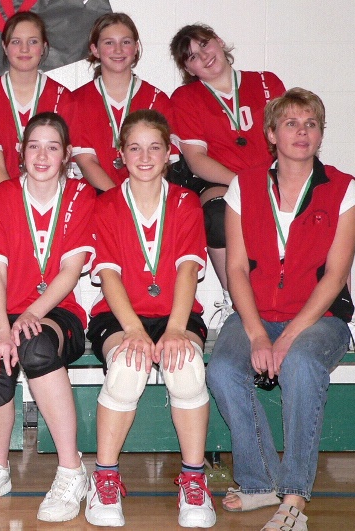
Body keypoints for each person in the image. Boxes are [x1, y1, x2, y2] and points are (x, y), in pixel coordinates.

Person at [206, 88, 355, 531]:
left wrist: (288, 337)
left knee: (301, 364)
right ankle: (260, 483)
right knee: (223, 370)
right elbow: (236, 269)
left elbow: (335, 277)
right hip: (255, 314)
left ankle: (293, 496)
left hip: (319, 319)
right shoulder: (245, 184)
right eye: (291, 123)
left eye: (311, 124)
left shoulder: (342, 187)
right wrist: (257, 334)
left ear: (321, 135)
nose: (302, 132)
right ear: (272, 134)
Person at [0, 113, 95, 522]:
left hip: (55, 311)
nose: (42, 155)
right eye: (34, 146)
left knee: (34, 345)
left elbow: (70, 270)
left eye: (53, 147)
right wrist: (2, 329)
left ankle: (71, 470)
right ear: (20, 151)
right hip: (0, 310)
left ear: (67, 154)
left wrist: (31, 314)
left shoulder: (81, 196)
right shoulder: (2, 197)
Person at [86, 109, 215, 528]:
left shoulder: (185, 202)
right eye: (135, 148)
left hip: (176, 312)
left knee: (187, 367)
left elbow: (187, 270)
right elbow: (109, 276)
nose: (144, 157)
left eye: (154, 147)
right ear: (121, 154)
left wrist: (176, 329)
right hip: (119, 314)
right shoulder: (106, 204)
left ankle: (193, 481)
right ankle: (104, 479)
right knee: (129, 365)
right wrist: (135, 331)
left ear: (169, 154)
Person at [169, 23, 285, 333]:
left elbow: (289, 135)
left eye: (204, 45)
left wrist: (278, 182)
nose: (203, 56)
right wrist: (245, 185)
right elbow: (196, 160)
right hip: (222, 181)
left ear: (219, 41)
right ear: (189, 69)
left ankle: (339, 310)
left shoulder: (266, 81)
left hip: (275, 177)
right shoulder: (186, 97)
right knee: (217, 215)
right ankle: (233, 299)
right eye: (192, 57)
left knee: (326, 202)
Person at [71, 13, 176, 192]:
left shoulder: (157, 99)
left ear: (136, 48)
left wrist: (138, 199)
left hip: (146, 193)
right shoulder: (77, 100)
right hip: (97, 195)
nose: (118, 50)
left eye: (126, 42)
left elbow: (163, 162)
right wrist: (120, 200)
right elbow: (86, 162)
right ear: (95, 49)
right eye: (109, 43)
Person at [0, 11, 72, 196]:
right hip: (2, 192)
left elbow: (63, 165)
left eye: (33, 41)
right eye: (16, 42)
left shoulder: (64, 97)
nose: (24, 49)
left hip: (53, 193)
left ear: (43, 47)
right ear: (5, 47)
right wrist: (20, 204)